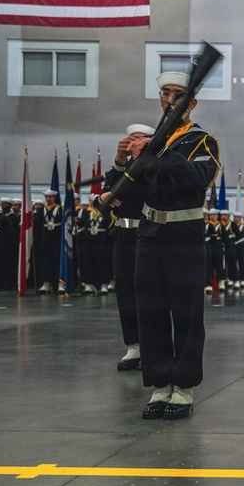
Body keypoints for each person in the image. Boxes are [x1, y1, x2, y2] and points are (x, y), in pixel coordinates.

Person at [103, 73, 220, 419]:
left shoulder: (202, 142)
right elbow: (128, 191)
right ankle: (159, 385)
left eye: (178, 95)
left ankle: (182, 387)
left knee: (185, 313)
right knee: (150, 313)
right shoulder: (151, 143)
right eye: (165, 93)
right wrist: (123, 164)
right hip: (149, 236)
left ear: (192, 104)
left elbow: (199, 179)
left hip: (184, 237)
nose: (169, 99)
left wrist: (157, 154)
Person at [105, 123, 155, 371]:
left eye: (139, 140)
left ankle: (152, 346)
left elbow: (134, 189)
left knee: (148, 294)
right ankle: (133, 346)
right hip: (122, 235)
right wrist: (120, 159)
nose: (133, 143)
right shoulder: (121, 167)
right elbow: (111, 189)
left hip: (147, 234)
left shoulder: (154, 167)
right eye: (130, 139)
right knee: (125, 293)